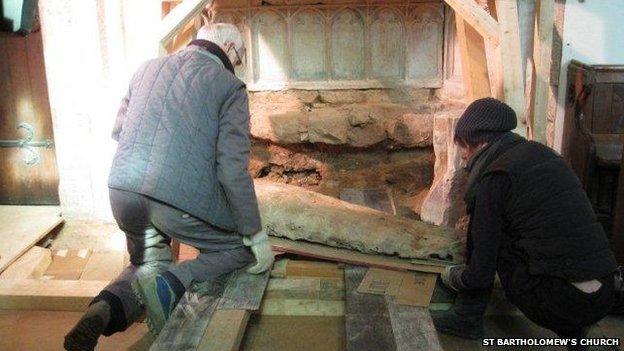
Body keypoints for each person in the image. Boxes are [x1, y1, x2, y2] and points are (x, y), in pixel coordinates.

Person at [64, 23, 274, 351]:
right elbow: (232, 169)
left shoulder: (145, 69)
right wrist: (255, 234)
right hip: (176, 200)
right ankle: (175, 281)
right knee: (237, 248)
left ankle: (102, 310)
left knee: (145, 263)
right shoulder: (230, 86)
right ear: (230, 52)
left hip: (123, 191)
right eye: (240, 59)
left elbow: (120, 131)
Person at [431, 98, 623, 346]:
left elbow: (481, 269)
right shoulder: (544, 154)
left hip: (562, 302)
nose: (465, 158)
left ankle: (467, 318)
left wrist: (454, 277)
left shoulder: (494, 178)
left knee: (492, 240)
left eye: (465, 149)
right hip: (606, 291)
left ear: (478, 142)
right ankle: (575, 328)